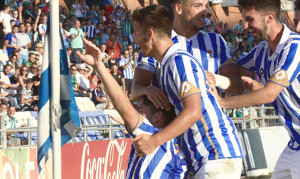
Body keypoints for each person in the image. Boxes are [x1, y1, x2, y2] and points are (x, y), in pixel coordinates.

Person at [131, 5, 242, 178]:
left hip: (214, 153)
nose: (134, 38)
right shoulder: (170, 60)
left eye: (136, 32)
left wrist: (154, 141)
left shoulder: (179, 60)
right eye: (198, 5)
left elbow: (194, 111)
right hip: (198, 156)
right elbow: (135, 89)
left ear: (150, 34)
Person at [207, 0, 300, 178]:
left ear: (269, 17)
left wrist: (222, 103)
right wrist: (212, 77)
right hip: (294, 144)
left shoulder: (295, 47)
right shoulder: (261, 51)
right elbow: (234, 72)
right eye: (243, 19)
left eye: (250, 19)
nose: (244, 26)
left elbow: (270, 94)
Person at [76, 38, 188, 178]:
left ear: (157, 116)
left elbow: (122, 105)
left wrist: (99, 65)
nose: (135, 114)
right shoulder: (178, 149)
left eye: (140, 111)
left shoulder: (151, 134)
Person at [131, 0, 244, 110]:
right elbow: (136, 89)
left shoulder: (216, 41)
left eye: (206, 6)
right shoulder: (155, 43)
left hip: (210, 124)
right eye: (198, 6)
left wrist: (215, 79)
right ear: (179, 9)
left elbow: (238, 86)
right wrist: (147, 90)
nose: (206, 12)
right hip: (175, 124)